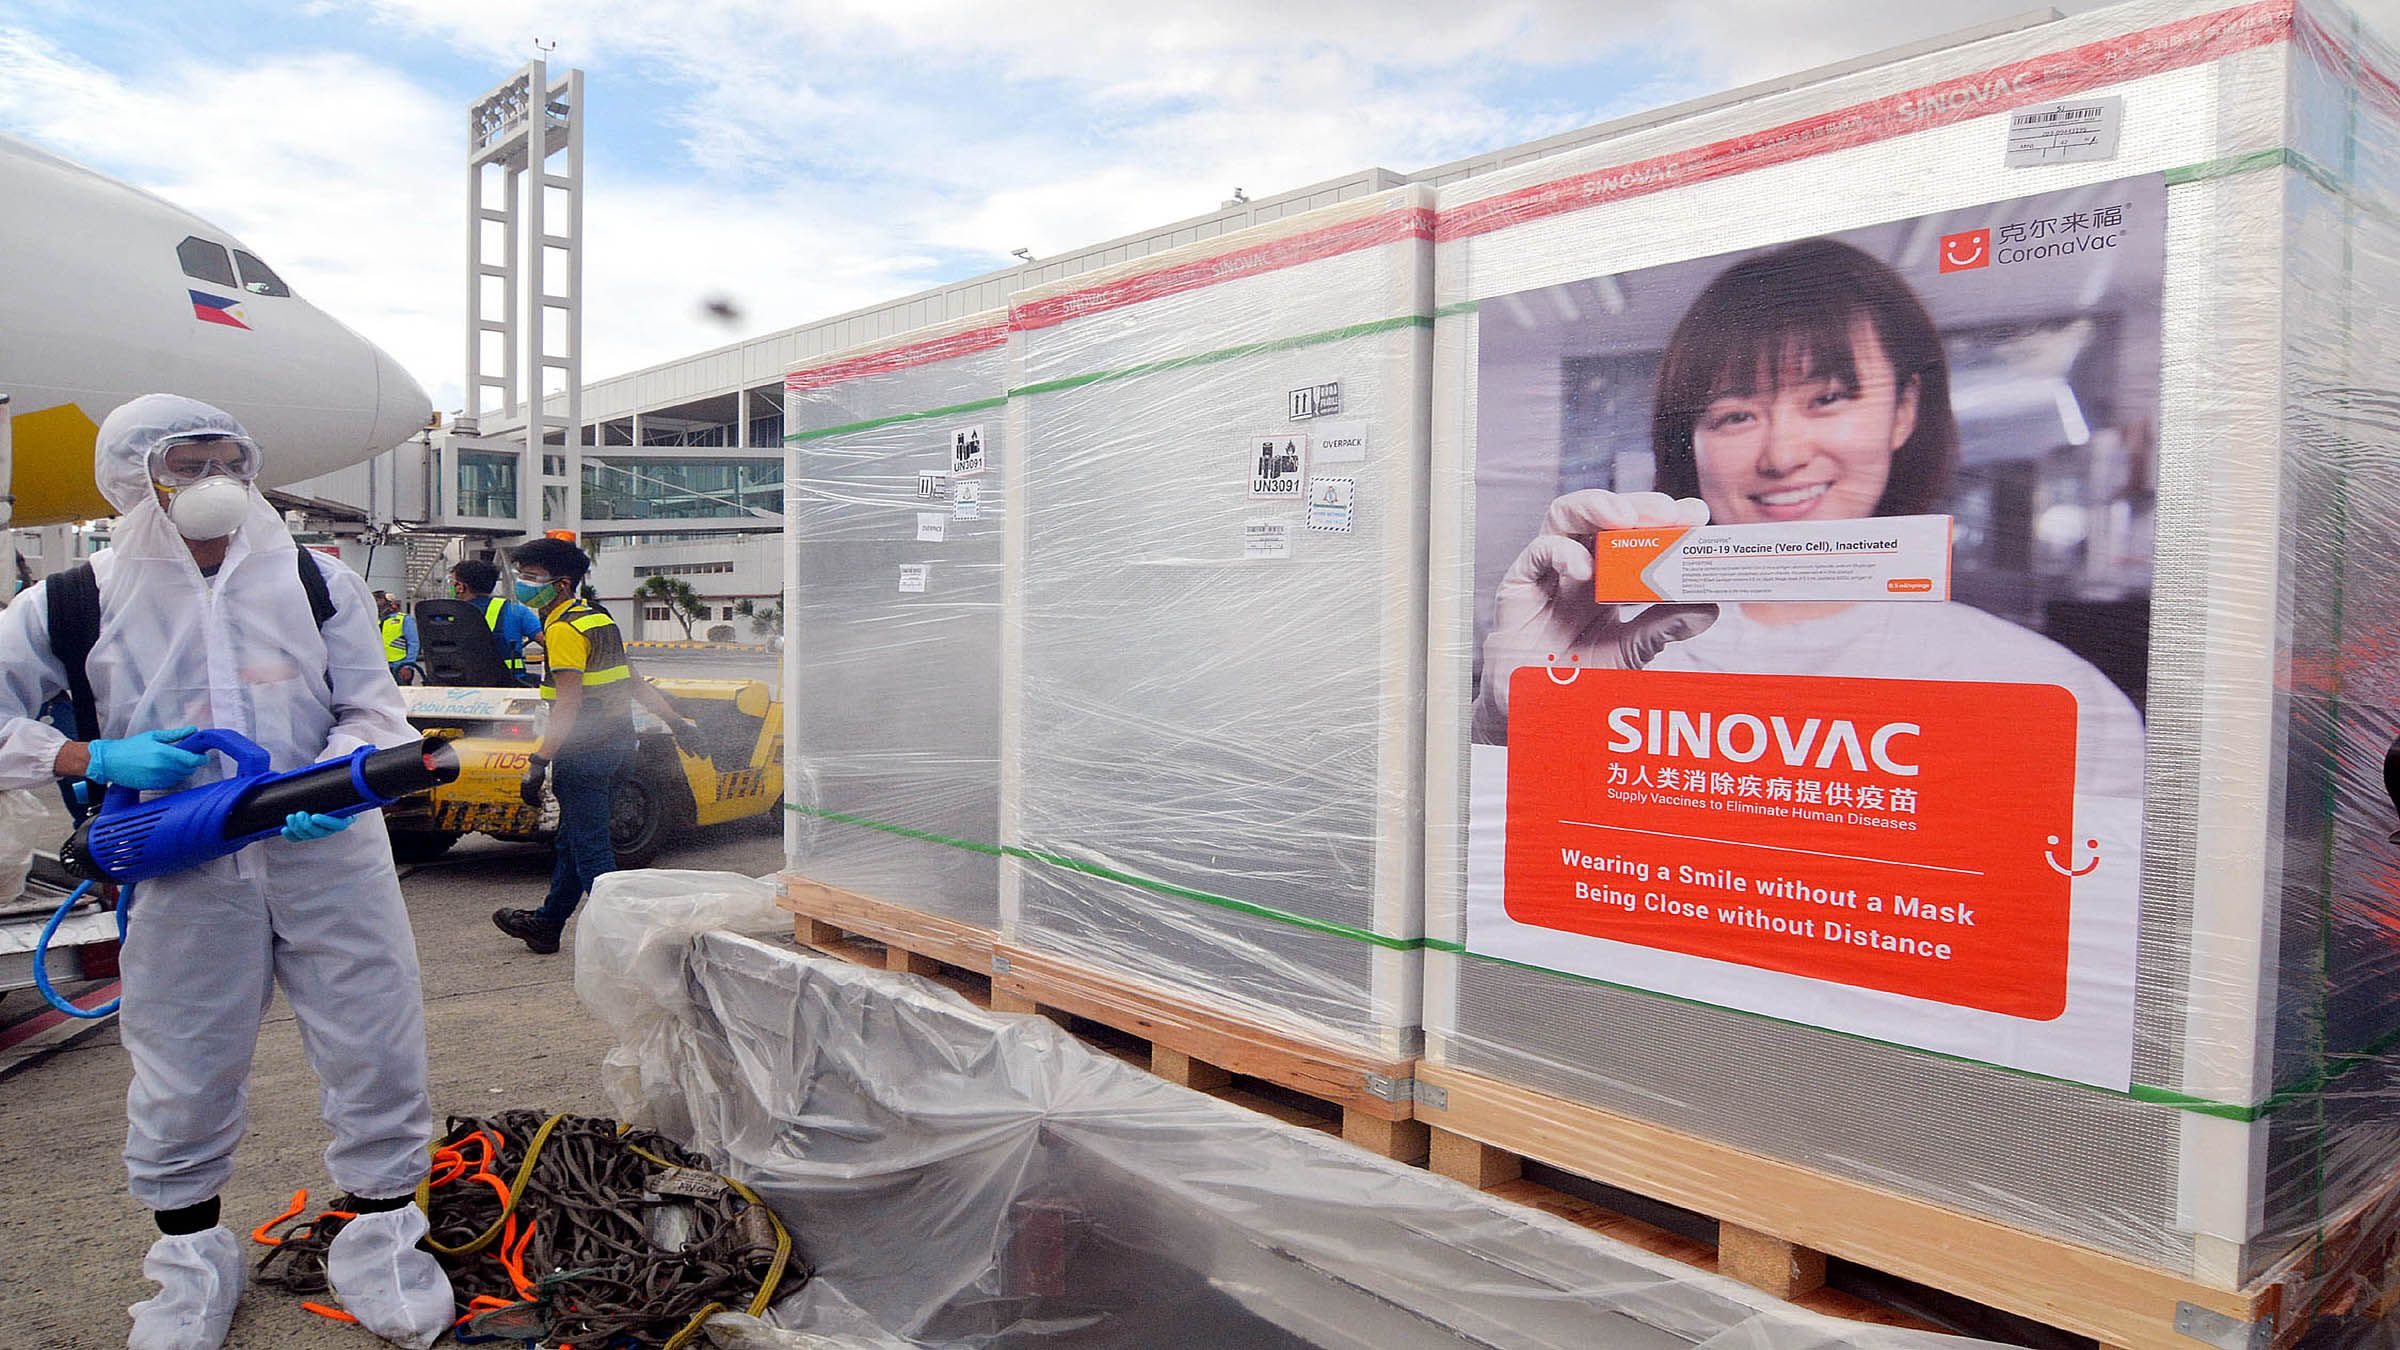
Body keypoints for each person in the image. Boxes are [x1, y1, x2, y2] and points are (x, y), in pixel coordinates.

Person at [0, 396, 451, 1348]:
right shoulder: (72, 600)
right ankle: (189, 1262)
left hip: (325, 851)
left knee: (373, 1039)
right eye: (186, 463)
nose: (214, 483)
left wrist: (337, 780)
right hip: (178, 860)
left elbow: (374, 711)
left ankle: (382, 1240)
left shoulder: (316, 577)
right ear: (134, 480)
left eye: (228, 461)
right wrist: (92, 760)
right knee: (181, 1061)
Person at [1476, 237, 2143, 795]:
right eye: (1735, 415)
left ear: (1904, 411)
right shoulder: (1604, 657)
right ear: (1692, 444)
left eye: (1827, 398)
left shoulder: (2049, 696)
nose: (1783, 454)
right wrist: (1521, 724)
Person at [491, 537, 704, 954]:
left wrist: (539, 760)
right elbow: (634, 682)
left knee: (591, 852)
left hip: (584, 756)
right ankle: (547, 924)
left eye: (532, 577)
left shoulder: (564, 629)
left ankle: (632, 942)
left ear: (563, 584)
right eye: (520, 576)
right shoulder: (598, 620)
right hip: (621, 747)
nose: (523, 584)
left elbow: (568, 703)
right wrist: (676, 722)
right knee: (574, 840)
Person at [448, 557, 543, 684]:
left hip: (455, 684)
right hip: (508, 685)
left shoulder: (442, 615)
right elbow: (547, 641)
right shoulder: (516, 610)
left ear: (459, 587)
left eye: (451, 582)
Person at [375, 589, 421, 684]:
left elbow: (413, 643)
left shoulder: (404, 619)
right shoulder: (376, 621)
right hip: (381, 667)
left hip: (399, 667)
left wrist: (408, 666)